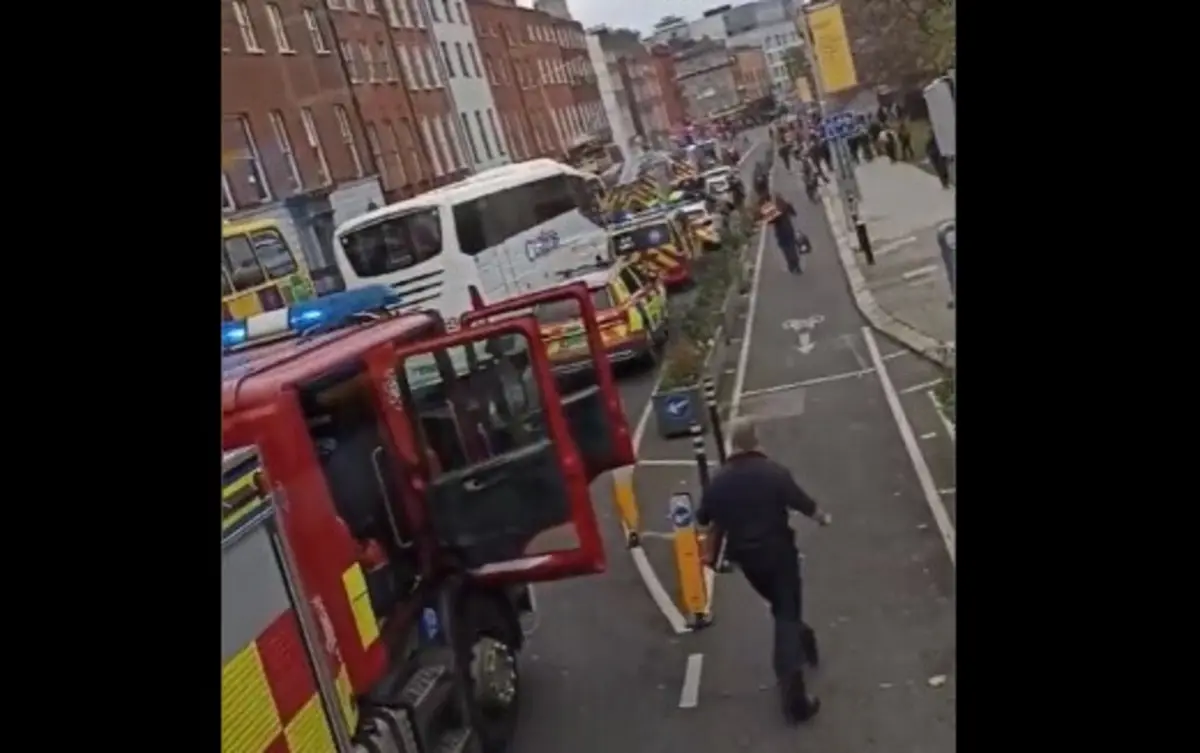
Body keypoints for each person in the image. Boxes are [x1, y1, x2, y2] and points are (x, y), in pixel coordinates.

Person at [697, 418, 831, 724]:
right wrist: (823, 517)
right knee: (786, 614)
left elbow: (703, 517)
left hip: (748, 563)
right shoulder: (773, 472)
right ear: (755, 441)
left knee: (781, 607)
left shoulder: (719, 482)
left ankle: (805, 638)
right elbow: (802, 503)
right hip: (779, 555)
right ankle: (794, 697)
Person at [769, 193, 803, 274]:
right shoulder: (786, 205)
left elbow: (770, 221)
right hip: (788, 229)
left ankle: (791, 265)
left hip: (780, 231)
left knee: (785, 248)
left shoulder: (773, 209)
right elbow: (794, 213)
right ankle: (796, 265)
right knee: (792, 246)